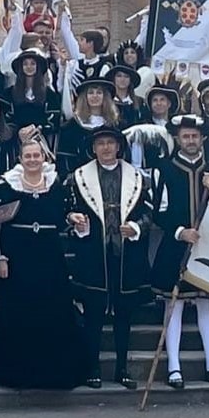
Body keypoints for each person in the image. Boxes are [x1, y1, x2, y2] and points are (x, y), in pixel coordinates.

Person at [0, 138, 83, 389]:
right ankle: (15, 373)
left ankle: (53, 374)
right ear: (20, 159)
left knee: (52, 311)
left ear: (44, 158)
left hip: (49, 256)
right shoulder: (6, 186)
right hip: (18, 256)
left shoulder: (56, 185)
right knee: (17, 312)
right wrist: (0, 257)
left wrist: (72, 217)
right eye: (28, 156)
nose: (33, 160)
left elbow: (63, 214)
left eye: (37, 156)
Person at [65, 125, 152, 389]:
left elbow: (148, 212)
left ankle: (122, 368)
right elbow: (67, 210)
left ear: (118, 147)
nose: (105, 148)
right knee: (92, 315)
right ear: (93, 148)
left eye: (110, 143)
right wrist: (73, 219)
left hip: (125, 254)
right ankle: (92, 368)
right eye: (100, 143)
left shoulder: (137, 177)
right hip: (93, 254)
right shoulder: (77, 177)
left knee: (124, 315)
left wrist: (137, 227)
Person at [149, 115, 209, 389]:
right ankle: (173, 367)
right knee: (175, 306)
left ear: (202, 139)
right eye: (186, 136)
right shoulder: (164, 169)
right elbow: (157, 211)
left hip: (208, 245)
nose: (191, 141)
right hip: (176, 245)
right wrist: (180, 231)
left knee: (207, 304)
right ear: (177, 139)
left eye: (195, 136)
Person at [58, 66, 120, 177]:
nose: (95, 96)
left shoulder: (116, 125)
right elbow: (64, 160)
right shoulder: (70, 127)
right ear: (84, 97)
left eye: (99, 93)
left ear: (105, 97)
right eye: (91, 93)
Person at [9, 45, 62, 134]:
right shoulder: (10, 93)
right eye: (25, 64)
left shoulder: (49, 94)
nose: (29, 67)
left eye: (33, 63)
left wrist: (39, 129)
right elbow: (7, 119)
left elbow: (54, 119)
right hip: (17, 138)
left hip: (41, 138)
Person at [105, 64, 141, 130]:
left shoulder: (140, 102)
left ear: (130, 80)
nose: (122, 79)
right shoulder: (106, 101)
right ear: (114, 79)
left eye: (126, 76)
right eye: (119, 76)